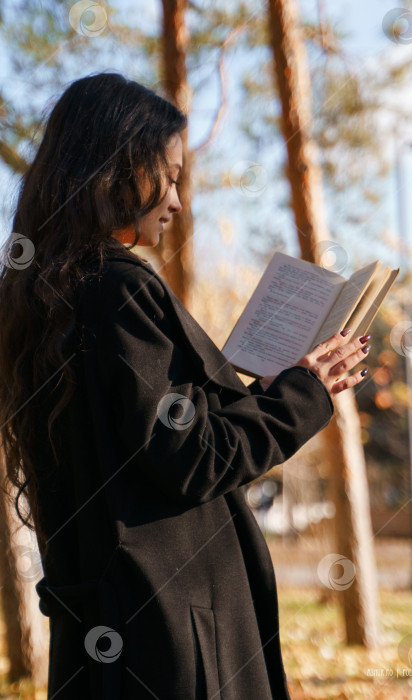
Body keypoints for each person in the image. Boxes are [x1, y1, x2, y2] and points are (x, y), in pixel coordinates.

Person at [0, 72, 371, 700]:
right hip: (170, 647)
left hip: (105, 644)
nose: (176, 201)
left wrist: (258, 393)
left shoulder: (40, 295)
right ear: (115, 172)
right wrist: (307, 392)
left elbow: (144, 452)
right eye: (167, 177)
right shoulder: (118, 289)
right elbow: (190, 458)